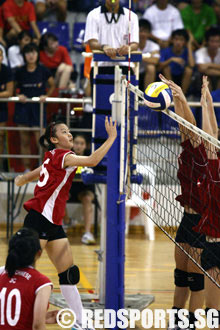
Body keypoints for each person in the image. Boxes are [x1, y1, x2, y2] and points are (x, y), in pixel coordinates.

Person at [15, 117, 117, 328]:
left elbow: (41, 169)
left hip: (52, 222)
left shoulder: (52, 155)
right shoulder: (65, 156)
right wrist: (112, 138)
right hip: (39, 219)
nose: (69, 134)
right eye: (64, 132)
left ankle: (79, 322)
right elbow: (92, 161)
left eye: (69, 131)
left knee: (68, 273)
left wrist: (24, 178)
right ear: (54, 139)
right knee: (20, 269)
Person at [160, 74, 207, 330]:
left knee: (195, 278)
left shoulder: (205, 155)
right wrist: (177, 98)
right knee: (180, 275)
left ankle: (190, 323)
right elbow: (185, 126)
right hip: (186, 219)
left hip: (203, 222)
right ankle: (176, 320)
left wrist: (180, 97)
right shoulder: (189, 150)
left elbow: (191, 125)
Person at [0, 227, 59, 329]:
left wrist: (40, 317)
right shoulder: (41, 283)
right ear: (38, 253)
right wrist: (40, 320)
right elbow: (37, 326)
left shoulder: (1, 273)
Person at [14, 42, 55, 171]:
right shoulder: (19, 71)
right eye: (28, 53)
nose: (31, 55)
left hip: (38, 108)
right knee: (24, 141)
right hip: (23, 108)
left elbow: (53, 85)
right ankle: (27, 169)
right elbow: (14, 88)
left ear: (37, 54)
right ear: (24, 55)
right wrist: (18, 95)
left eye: (33, 52)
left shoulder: (43, 70)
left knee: (42, 141)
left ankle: (43, 167)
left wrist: (46, 95)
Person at [84, 0, 139, 77]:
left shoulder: (132, 16)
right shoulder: (93, 15)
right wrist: (104, 47)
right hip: (100, 65)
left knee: (131, 84)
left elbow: (135, 44)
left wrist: (128, 48)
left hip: (124, 64)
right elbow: (92, 43)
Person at [64, 134, 96, 245]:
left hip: (85, 188)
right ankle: (67, 221)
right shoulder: (67, 157)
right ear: (72, 145)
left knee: (87, 199)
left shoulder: (90, 157)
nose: (78, 146)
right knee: (59, 195)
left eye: (81, 144)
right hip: (70, 188)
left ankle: (87, 233)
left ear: (85, 146)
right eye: (76, 143)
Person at [159, 29, 195, 95]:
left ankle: (182, 96)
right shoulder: (166, 51)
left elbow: (192, 65)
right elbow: (159, 67)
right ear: (172, 40)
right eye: (176, 39)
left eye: (181, 40)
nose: (178, 42)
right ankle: (172, 95)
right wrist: (171, 59)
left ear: (185, 42)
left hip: (182, 77)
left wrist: (189, 45)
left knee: (189, 70)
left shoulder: (187, 51)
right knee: (166, 68)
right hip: (169, 77)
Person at [0, 47, 13, 170]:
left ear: (2, 57)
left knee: (1, 135)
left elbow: (9, 92)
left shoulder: (6, 71)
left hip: (1, 108)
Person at [195, 26, 220, 91]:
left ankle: (217, 97)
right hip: (203, 77)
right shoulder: (200, 52)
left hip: (217, 78)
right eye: (212, 41)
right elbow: (201, 68)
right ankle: (208, 99)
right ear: (207, 42)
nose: (214, 44)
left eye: (217, 41)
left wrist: (208, 65)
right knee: (205, 77)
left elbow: (205, 67)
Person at [138, 18, 160, 91]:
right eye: (140, 31)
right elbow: (130, 58)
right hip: (133, 71)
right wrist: (149, 55)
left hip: (146, 73)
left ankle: (147, 96)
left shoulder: (154, 46)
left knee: (151, 67)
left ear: (149, 33)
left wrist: (138, 56)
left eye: (145, 31)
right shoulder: (132, 44)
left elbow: (155, 61)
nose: (143, 34)